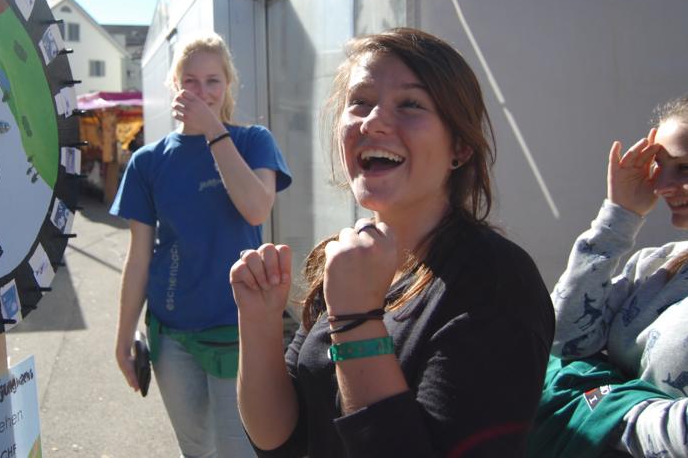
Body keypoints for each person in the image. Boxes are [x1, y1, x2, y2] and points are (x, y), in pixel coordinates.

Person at [230, 28, 555, 457]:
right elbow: (279, 440)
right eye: (360, 102)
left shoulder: (496, 281)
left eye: (410, 104)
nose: (373, 122)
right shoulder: (350, 259)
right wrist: (259, 321)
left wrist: (356, 320)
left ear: (459, 146)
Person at [112, 32, 292, 458]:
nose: (202, 91)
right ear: (175, 85)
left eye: (213, 80)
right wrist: (123, 336)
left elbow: (256, 208)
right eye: (190, 81)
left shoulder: (253, 141)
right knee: (196, 449)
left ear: (228, 84)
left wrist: (213, 130)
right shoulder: (148, 161)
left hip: (238, 329)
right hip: (171, 333)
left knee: (240, 450)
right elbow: (139, 257)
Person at [529, 95, 688, 458]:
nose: (661, 185)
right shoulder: (657, 263)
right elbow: (565, 340)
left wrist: (607, 407)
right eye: (658, 166)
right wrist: (619, 217)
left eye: (684, 168)